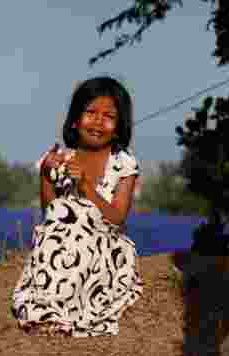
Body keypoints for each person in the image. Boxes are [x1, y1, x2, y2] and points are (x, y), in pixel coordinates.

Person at [11, 76, 144, 337]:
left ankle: (69, 313)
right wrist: (46, 175)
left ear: (119, 127)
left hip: (102, 244)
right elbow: (50, 211)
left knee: (77, 216)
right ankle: (45, 312)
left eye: (108, 116)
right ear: (75, 119)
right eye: (90, 112)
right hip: (61, 243)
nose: (97, 122)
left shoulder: (124, 163)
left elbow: (117, 217)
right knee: (61, 215)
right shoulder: (65, 158)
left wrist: (86, 188)